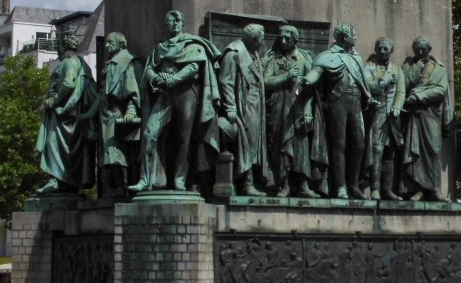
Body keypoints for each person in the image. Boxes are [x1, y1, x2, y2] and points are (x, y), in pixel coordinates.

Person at [132, 10, 221, 194]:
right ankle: (146, 179)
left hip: (187, 93)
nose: (176, 23)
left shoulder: (192, 44)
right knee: (149, 133)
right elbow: (149, 68)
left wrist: (175, 78)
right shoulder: (160, 47)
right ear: (166, 24)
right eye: (172, 21)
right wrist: (156, 78)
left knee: (184, 138)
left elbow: (195, 65)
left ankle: (180, 179)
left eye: (179, 20)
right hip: (165, 94)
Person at [300, 22, 373, 199]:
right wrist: (308, 79)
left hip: (355, 101)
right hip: (337, 101)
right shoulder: (327, 56)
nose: (355, 37)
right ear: (343, 37)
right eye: (352, 34)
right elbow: (317, 71)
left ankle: (353, 184)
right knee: (339, 144)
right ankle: (340, 186)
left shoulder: (356, 58)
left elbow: (365, 81)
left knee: (359, 144)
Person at [262, 25, 321, 197]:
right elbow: (265, 81)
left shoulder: (304, 60)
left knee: (300, 146)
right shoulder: (274, 59)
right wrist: (285, 76)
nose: (283, 40)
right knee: (281, 146)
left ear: (295, 39)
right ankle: (284, 184)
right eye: (281, 37)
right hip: (279, 108)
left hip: (298, 107)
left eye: (287, 37)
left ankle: (303, 185)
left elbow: (309, 90)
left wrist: (309, 110)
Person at [35, 32, 96, 194]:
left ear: (63, 46)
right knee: (67, 151)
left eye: (58, 47)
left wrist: (53, 101)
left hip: (65, 115)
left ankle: (56, 179)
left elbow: (69, 84)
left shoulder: (70, 63)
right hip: (72, 114)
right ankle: (66, 182)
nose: (57, 50)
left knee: (51, 143)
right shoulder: (82, 64)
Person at [399, 36, 453, 201]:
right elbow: (403, 86)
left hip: (431, 114)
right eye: (417, 50)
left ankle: (434, 189)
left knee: (434, 150)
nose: (420, 52)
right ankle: (418, 189)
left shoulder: (439, 68)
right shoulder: (408, 66)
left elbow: (441, 90)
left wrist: (420, 94)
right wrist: (414, 70)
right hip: (414, 115)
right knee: (415, 152)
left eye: (423, 49)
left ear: (430, 49)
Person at [219, 23, 270, 196]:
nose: (263, 43)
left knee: (254, 146)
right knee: (246, 143)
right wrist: (231, 107)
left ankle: (253, 181)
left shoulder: (253, 52)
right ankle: (245, 184)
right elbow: (226, 81)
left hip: (256, 107)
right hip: (243, 106)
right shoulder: (234, 53)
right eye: (261, 39)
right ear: (254, 39)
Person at [92, 32, 143, 197]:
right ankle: (118, 188)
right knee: (108, 155)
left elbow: (133, 88)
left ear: (120, 44)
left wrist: (131, 110)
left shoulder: (127, 61)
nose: (107, 46)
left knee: (116, 154)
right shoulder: (111, 63)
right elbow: (101, 92)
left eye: (110, 42)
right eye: (105, 43)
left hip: (118, 115)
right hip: (106, 115)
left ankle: (125, 188)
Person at [364, 37, 405, 200]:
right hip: (376, 112)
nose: (382, 51)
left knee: (389, 153)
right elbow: (368, 86)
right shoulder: (369, 67)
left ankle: (387, 189)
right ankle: (375, 188)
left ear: (391, 51)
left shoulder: (397, 70)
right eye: (380, 48)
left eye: (385, 49)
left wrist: (397, 106)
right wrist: (384, 81)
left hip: (393, 116)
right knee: (377, 150)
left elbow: (401, 92)